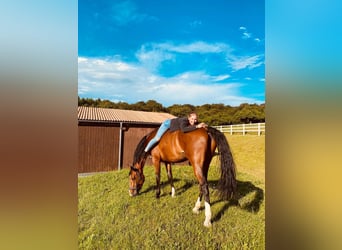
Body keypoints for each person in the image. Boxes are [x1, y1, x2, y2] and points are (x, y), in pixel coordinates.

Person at [144, 111, 208, 153]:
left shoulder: (194, 121)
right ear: (188, 118)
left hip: (174, 126)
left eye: (195, 119)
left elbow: (197, 125)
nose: (194, 121)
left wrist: (203, 125)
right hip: (167, 124)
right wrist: (197, 126)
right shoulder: (184, 121)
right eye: (192, 119)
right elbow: (183, 129)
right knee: (157, 138)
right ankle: (146, 150)